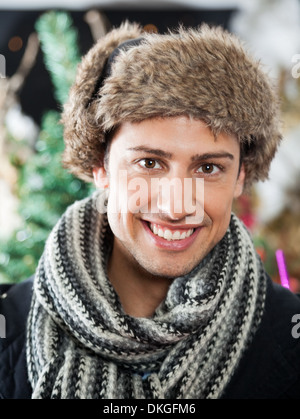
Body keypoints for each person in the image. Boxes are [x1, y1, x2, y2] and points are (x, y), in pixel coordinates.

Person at [1, 21, 300, 400]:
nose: (176, 206)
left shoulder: (288, 333)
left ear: (240, 176)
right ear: (101, 165)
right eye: (149, 163)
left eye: (208, 168)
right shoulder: (9, 328)